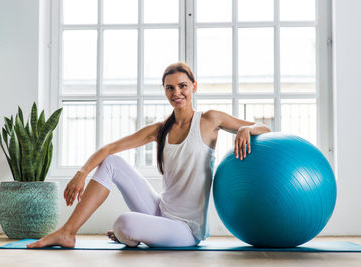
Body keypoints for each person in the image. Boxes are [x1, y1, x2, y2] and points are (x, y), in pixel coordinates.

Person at [27, 62, 270, 248]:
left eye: (183, 86)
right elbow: (109, 149)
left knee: (124, 222)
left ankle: (133, 232)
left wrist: (246, 129)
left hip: (185, 229)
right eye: (170, 88)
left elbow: (266, 129)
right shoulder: (159, 129)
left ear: (193, 87)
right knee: (112, 162)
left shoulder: (210, 120)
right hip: (159, 210)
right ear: (165, 91)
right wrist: (81, 172)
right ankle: (68, 232)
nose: (177, 92)